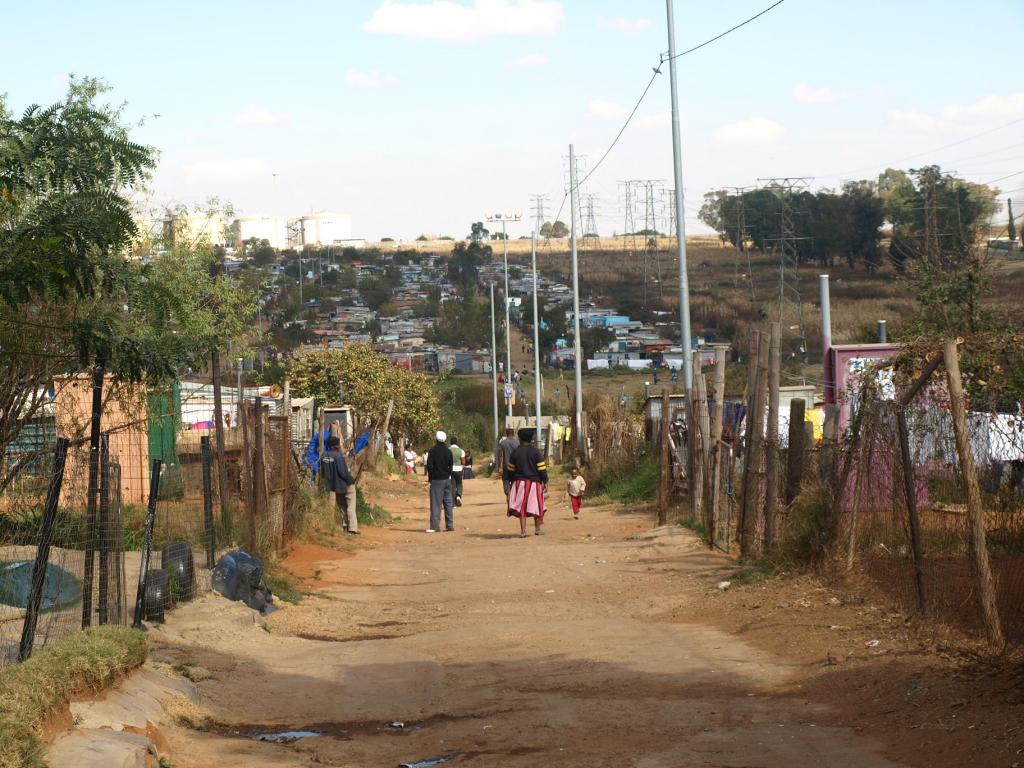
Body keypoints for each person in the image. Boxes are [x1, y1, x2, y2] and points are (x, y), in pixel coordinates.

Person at [506, 428, 548, 537]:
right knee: (537, 505)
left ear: (519, 438)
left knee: (522, 507)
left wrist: (511, 483)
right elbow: (542, 469)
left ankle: (523, 532)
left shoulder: (515, 453)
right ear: (532, 439)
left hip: (519, 483)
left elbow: (510, 470)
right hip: (534, 483)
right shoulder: (536, 452)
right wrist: (545, 481)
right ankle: (537, 529)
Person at [322, 436, 358, 535]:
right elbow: (343, 472)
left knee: (342, 506)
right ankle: (352, 529)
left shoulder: (324, 456)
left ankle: (345, 526)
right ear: (337, 446)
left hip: (335, 486)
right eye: (339, 444)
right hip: (345, 485)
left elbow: (323, 473)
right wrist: (351, 480)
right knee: (350, 506)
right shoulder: (338, 456)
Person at [425, 430, 455, 533]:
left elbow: (429, 466)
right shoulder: (448, 451)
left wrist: (431, 477)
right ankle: (450, 525)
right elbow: (451, 465)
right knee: (448, 503)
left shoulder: (432, 451)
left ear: (436, 439)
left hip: (437, 480)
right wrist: (448, 474)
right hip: (447, 480)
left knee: (436, 504)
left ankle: (435, 526)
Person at [497, 428, 519, 497]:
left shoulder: (502, 443)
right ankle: (513, 493)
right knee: (514, 479)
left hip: (506, 465)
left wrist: (500, 467)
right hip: (516, 466)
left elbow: (500, 456)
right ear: (513, 433)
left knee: (505, 479)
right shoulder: (518, 443)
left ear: (506, 434)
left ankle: (508, 492)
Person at [449, 436, 465, 507]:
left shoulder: (448, 450)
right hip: (459, 469)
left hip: (451, 469)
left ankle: (453, 504)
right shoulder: (461, 450)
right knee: (459, 484)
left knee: (452, 485)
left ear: (450, 442)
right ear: (457, 442)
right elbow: (463, 462)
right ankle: (458, 496)